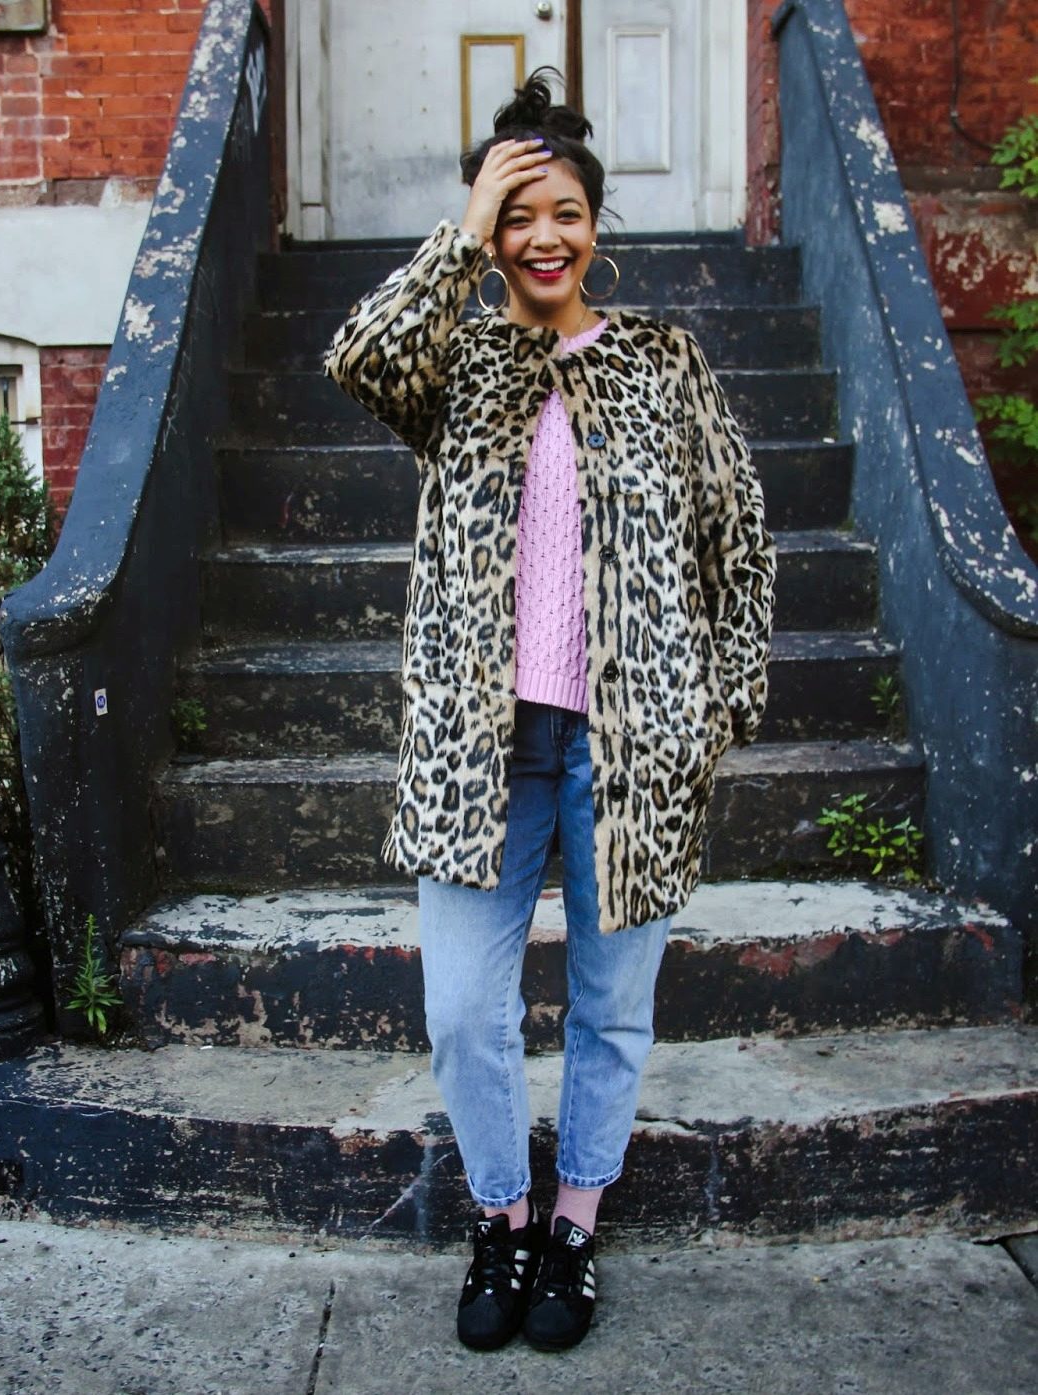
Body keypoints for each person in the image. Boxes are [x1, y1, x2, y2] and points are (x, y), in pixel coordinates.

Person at [324, 68, 776, 1353]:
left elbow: (737, 539)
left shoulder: (662, 363)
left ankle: (574, 1223)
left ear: (595, 224)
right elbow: (359, 356)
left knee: (611, 1007)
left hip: (629, 748)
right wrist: (464, 232)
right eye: (517, 215)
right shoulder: (457, 366)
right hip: (478, 749)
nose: (542, 237)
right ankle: (502, 1218)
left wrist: (716, 708)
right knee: (463, 1010)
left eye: (563, 211)